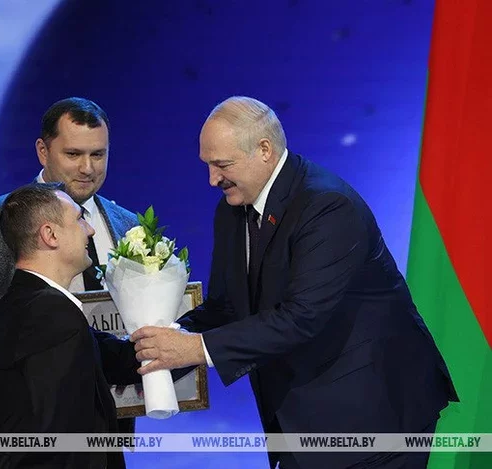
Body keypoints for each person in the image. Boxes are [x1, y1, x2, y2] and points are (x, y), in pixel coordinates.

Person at [131, 96, 457, 469]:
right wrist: (164, 340)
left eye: (222, 165)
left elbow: (302, 317)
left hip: (375, 413)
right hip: (303, 415)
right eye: (207, 164)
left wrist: (195, 348)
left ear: (264, 150)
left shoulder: (327, 206)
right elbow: (228, 305)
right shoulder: (233, 208)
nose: (212, 179)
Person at [0, 97, 139, 434]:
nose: (87, 168)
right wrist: (32, 315)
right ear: (43, 151)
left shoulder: (127, 224)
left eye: (98, 155)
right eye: (73, 154)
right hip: (23, 418)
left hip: (109, 415)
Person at [0, 183, 139, 469]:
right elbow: (58, 438)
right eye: (79, 219)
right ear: (50, 235)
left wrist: (194, 335)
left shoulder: (28, 303)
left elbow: (119, 360)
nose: (90, 230)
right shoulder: (49, 312)